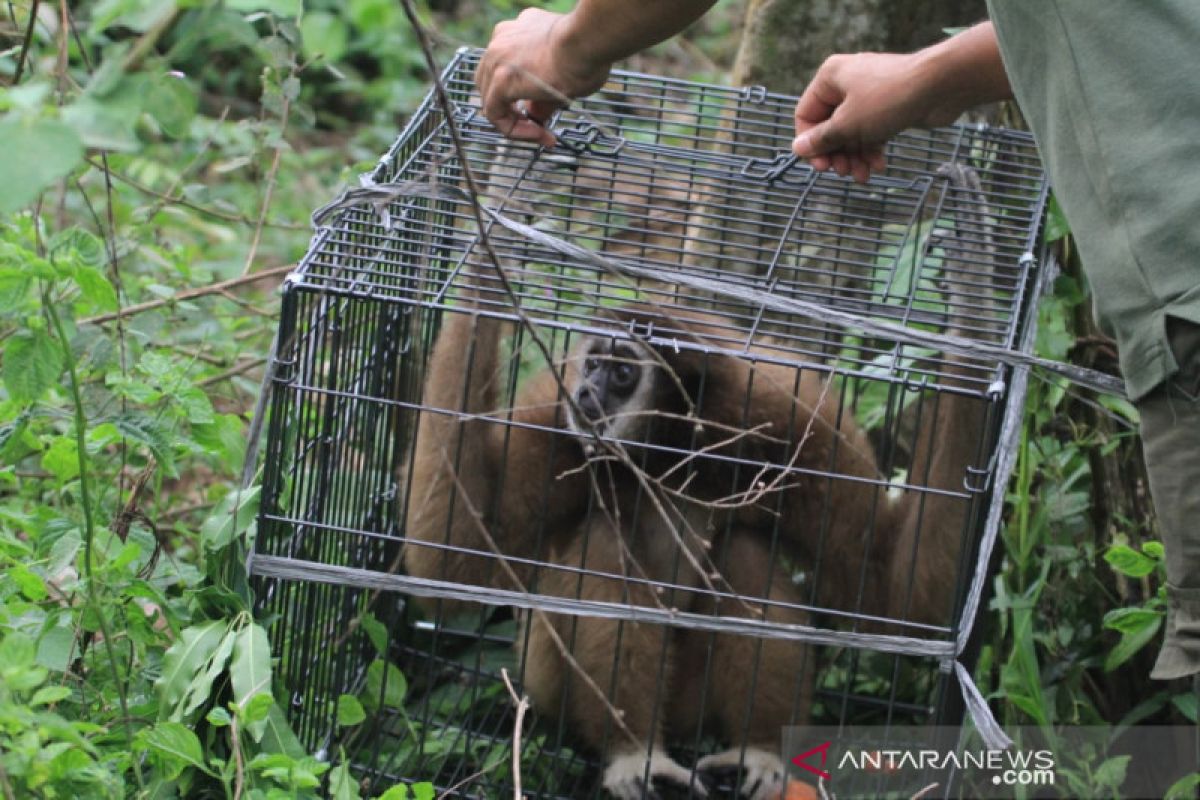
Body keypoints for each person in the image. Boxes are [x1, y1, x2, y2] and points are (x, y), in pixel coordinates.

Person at [476, 1, 1200, 681]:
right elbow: (445, 553)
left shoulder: (773, 424)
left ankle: (751, 744)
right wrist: (927, 80)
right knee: (598, 556)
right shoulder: (559, 417)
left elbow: (901, 601)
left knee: (749, 572)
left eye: (617, 375)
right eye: (594, 368)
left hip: (1185, 287)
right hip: (1180, 273)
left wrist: (564, 48)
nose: (591, 394)